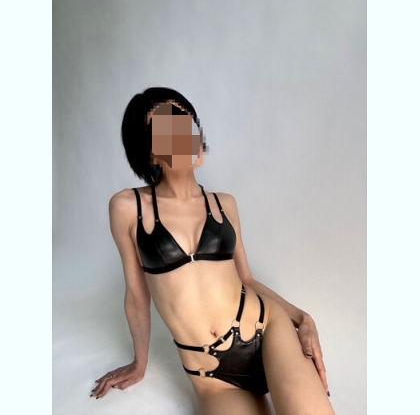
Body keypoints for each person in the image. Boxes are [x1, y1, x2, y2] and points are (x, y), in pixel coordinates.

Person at [91, 87, 335, 414]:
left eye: (187, 124)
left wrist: (303, 318)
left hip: (267, 330)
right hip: (211, 374)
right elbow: (137, 295)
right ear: (149, 150)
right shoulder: (127, 207)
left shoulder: (224, 204)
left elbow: (247, 279)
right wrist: (139, 363)